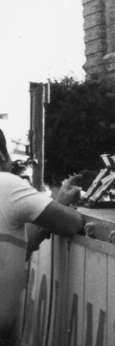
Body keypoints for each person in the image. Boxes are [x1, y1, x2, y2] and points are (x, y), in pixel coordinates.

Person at [0, 128, 84, 345]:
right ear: (2, 156)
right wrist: (59, 205)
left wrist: (54, 204)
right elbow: (72, 223)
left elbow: (13, 253)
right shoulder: (6, 184)